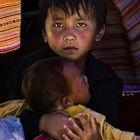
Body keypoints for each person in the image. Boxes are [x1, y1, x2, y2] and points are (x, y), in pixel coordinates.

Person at [0, 0, 123, 139]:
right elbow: (6, 119)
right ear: (44, 33)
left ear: (99, 31)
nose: (69, 35)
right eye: (58, 25)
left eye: (81, 25)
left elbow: (113, 133)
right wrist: (42, 121)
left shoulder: (108, 82)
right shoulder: (25, 72)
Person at [22, 57, 139, 140]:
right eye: (82, 79)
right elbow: (116, 135)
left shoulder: (25, 111)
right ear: (67, 101)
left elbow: (5, 110)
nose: (86, 78)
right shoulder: (86, 118)